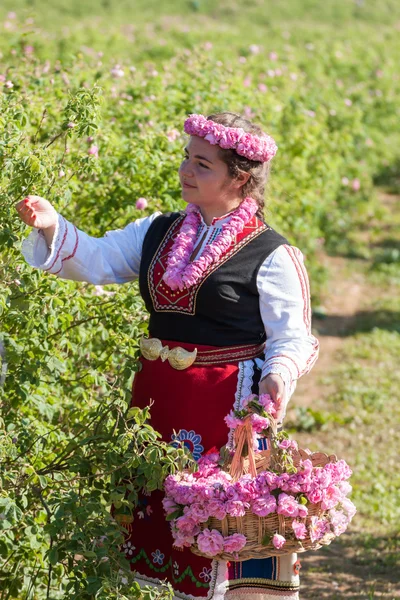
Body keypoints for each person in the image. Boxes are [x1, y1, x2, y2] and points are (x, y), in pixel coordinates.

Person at [17, 111, 319, 600]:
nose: (185, 171)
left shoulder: (271, 254)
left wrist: (279, 376)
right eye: (186, 158)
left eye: (202, 164)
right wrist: (53, 224)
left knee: (221, 528)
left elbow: (293, 337)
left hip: (227, 410)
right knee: (156, 518)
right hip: (156, 404)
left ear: (239, 177)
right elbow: (97, 258)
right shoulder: (158, 231)